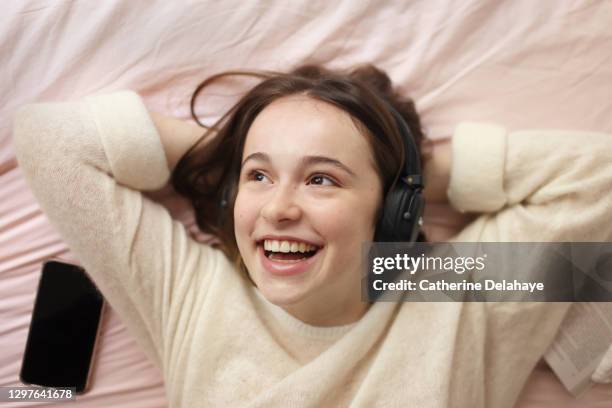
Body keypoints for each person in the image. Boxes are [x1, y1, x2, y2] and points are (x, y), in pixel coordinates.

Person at [12, 63, 612, 407]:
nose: (278, 208)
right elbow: (52, 141)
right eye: (259, 175)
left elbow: (601, 182)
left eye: (321, 178)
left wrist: (412, 174)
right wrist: (221, 158)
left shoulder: (457, 294)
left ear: (395, 211)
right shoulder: (193, 293)